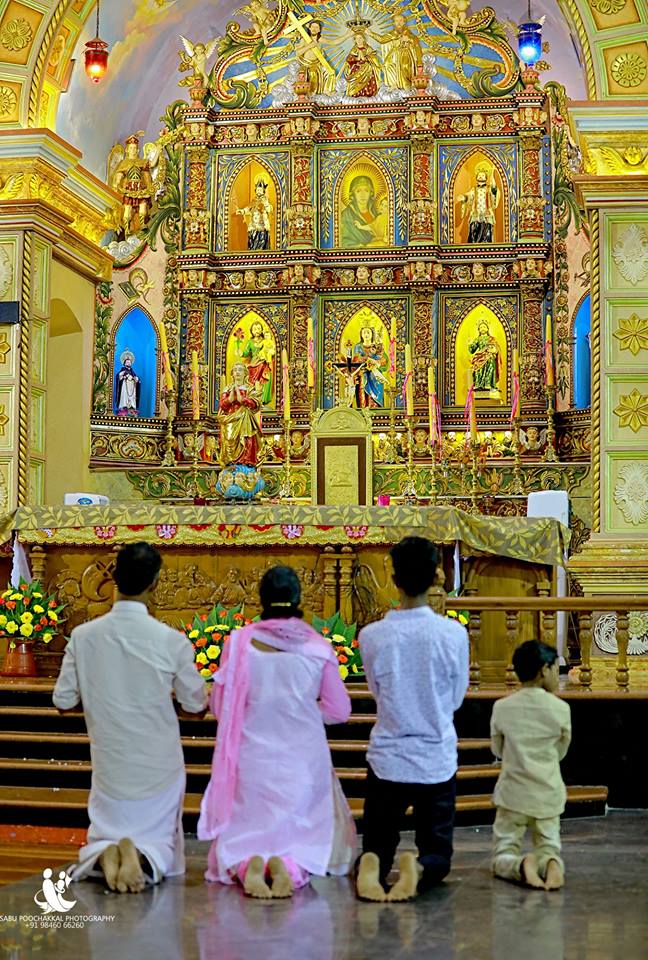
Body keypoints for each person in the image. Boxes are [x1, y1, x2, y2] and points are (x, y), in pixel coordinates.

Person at [52, 543, 207, 893]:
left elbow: (63, 701)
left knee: (106, 826)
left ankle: (107, 851)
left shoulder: (83, 637)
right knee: (158, 839)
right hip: (158, 764)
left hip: (110, 758)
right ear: (155, 583)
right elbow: (196, 705)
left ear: (115, 577)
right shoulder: (171, 640)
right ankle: (141, 854)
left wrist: (102, 700)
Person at [197, 565, 356, 898]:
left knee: (246, 831)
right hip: (302, 759)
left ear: (262, 598)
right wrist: (304, 713)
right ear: (298, 599)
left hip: (250, 755)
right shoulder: (318, 648)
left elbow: (221, 706)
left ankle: (247, 865)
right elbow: (339, 711)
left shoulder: (239, 643)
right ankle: (291, 868)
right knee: (300, 837)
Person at [356, 536, 469, 902]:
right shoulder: (453, 634)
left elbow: (376, 691)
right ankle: (419, 868)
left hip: (387, 757)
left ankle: (372, 865)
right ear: (437, 576)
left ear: (394, 578)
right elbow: (455, 698)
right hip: (435, 758)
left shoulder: (372, 636)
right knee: (438, 855)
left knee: (377, 842)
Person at [490, 639, 571, 891]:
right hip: (547, 793)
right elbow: (561, 750)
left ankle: (519, 864)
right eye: (555, 668)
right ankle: (551, 865)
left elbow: (497, 749)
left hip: (512, 793)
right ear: (544, 670)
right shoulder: (561, 708)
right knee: (549, 846)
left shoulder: (502, 707)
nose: (557, 674)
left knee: (504, 850)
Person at [217, 362, 263, 466]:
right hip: (230, 419)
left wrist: (242, 399)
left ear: (245, 373)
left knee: (247, 439)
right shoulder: (227, 389)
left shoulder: (250, 388)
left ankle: (247, 460)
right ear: (232, 374)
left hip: (245, 418)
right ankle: (231, 462)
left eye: (240, 370)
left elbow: (256, 403)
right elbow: (222, 405)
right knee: (230, 439)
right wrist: (230, 399)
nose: (237, 372)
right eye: (235, 370)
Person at [372, 12, 422, 91]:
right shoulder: (392, 34)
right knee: (387, 64)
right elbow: (382, 39)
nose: (398, 23)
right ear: (394, 23)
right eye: (396, 21)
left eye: (400, 20)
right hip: (394, 54)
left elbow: (416, 41)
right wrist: (370, 33)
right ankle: (393, 83)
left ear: (404, 22)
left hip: (405, 54)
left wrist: (409, 39)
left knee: (404, 66)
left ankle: (406, 84)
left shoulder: (408, 33)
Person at [456, 162, 500, 243]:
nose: (481, 176)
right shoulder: (474, 189)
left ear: (486, 177)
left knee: (486, 233)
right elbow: (469, 195)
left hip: (487, 214)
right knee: (473, 231)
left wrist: (492, 175)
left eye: (483, 175)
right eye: (479, 175)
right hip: (475, 214)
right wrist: (464, 197)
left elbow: (494, 188)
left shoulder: (489, 188)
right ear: (476, 177)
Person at [340, 174, 380, 248]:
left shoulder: (376, 213)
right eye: (358, 191)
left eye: (366, 190)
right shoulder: (346, 215)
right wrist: (361, 246)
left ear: (371, 193)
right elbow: (343, 240)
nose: (362, 195)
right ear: (353, 194)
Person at [236, 178, 272, 250]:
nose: (259, 191)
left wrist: (265, 203)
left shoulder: (265, 201)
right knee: (253, 242)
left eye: (260, 190)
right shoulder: (253, 201)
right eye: (257, 190)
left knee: (262, 241)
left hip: (262, 226)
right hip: (253, 226)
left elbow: (269, 209)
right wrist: (242, 211)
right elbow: (248, 208)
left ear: (263, 191)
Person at [343, 31, 382, 98]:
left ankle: (368, 93)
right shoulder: (353, 50)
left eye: (360, 38)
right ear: (355, 40)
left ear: (363, 39)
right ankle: (355, 93)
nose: (359, 40)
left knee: (369, 67)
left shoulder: (368, 48)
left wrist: (366, 58)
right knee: (354, 76)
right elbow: (349, 59)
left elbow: (373, 57)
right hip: (356, 69)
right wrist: (356, 59)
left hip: (367, 69)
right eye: (357, 38)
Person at [469, 318, 501, 392]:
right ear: (478, 330)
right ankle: (478, 384)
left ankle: (488, 384)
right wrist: (470, 344)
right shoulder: (478, 339)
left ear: (487, 328)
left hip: (489, 357)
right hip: (480, 357)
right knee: (478, 369)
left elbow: (497, 348)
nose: (482, 328)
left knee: (490, 369)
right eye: (480, 327)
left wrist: (494, 350)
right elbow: (472, 350)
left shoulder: (492, 339)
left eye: (484, 327)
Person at [114, 350, 141, 416]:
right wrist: (123, 376)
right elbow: (119, 377)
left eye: (130, 362)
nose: (129, 363)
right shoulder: (123, 370)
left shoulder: (132, 371)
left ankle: (132, 408)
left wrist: (136, 379)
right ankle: (123, 407)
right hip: (125, 387)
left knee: (132, 398)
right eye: (127, 362)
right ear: (124, 363)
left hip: (132, 388)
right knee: (124, 396)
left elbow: (136, 378)